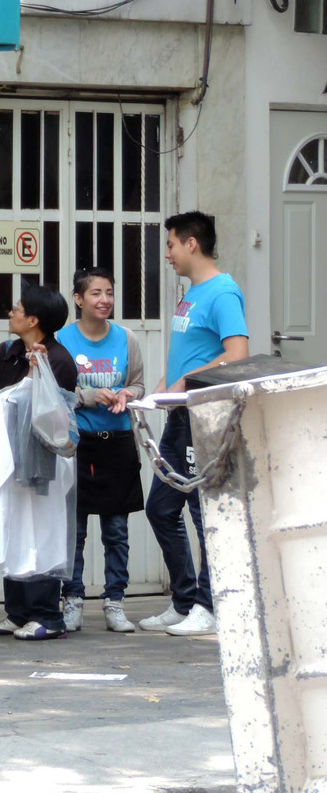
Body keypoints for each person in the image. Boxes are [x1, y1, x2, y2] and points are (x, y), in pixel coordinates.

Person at [139, 211, 249, 637]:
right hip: (180, 416)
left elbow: (236, 355)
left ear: (191, 244)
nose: (166, 254)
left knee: (204, 513)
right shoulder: (191, 294)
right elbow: (188, 353)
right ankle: (185, 600)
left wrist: (185, 382)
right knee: (161, 508)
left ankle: (210, 603)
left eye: (170, 244)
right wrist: (160, 389)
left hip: (204, 418)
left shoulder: (223, 292)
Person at [0, 284, 78, 641]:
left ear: (33, 319)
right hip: (7, 456)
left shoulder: (59, 360)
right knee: (12, 527)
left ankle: (47, 615)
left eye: (16, 309)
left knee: (41, 532)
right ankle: (16, 612)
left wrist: (36, 376)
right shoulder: (6, 351)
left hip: (41, 463)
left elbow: (51, 412)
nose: (10, 313)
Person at [57, 268, 146, 634]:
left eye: (109, 292)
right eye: (96, 293)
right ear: (78, 299)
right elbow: (53, 394)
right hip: (77, 445)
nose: (104, 300)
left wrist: (128, 394)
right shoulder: (61, 340)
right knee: (73, 530)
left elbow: (139, 383)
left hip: (118, 443)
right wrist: (86, 397)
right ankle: (72, 598)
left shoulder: (127, 339)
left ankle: (115, 601)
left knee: (117, 531)